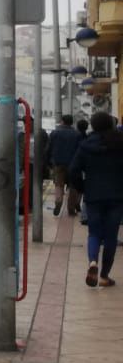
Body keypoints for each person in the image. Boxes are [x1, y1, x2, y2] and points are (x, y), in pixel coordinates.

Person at [69, 112, 123, 287]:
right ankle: (104, 276)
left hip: (93, 196)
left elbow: (73, 171)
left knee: (94, 232)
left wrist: (83, 187)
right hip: (117, 195)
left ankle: (93, 261)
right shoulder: (120, 143)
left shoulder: (85, 146)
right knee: (111, 236)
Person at [49, 114, 82, 216]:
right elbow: (79, 150)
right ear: (72, 122)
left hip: (58, 163)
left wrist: (49, 161)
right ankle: (71, 209)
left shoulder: (54, 133)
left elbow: (49, 148)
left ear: (62, 121)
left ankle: (58, 202)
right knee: (73, 186)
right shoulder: (77, 134)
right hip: (73, 164)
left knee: (58, 184)